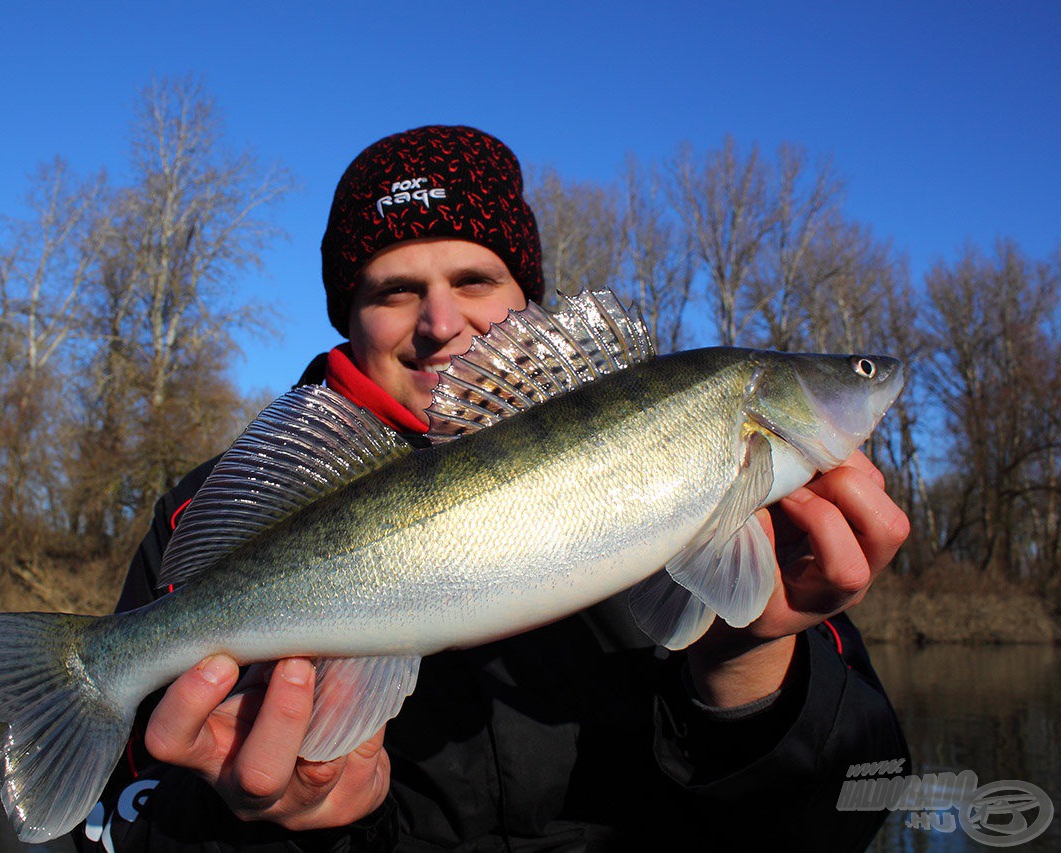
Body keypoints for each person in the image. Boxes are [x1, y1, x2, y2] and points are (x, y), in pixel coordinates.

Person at [73, 125, 910, 852]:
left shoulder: (755, 502)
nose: (441, 322)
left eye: (474, 280)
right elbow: (118, 827)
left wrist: (748, 664)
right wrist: (282, 826)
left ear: (525, 297)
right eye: (394, 290)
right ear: (346, 313)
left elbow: (851, 810)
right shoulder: (218, 506)